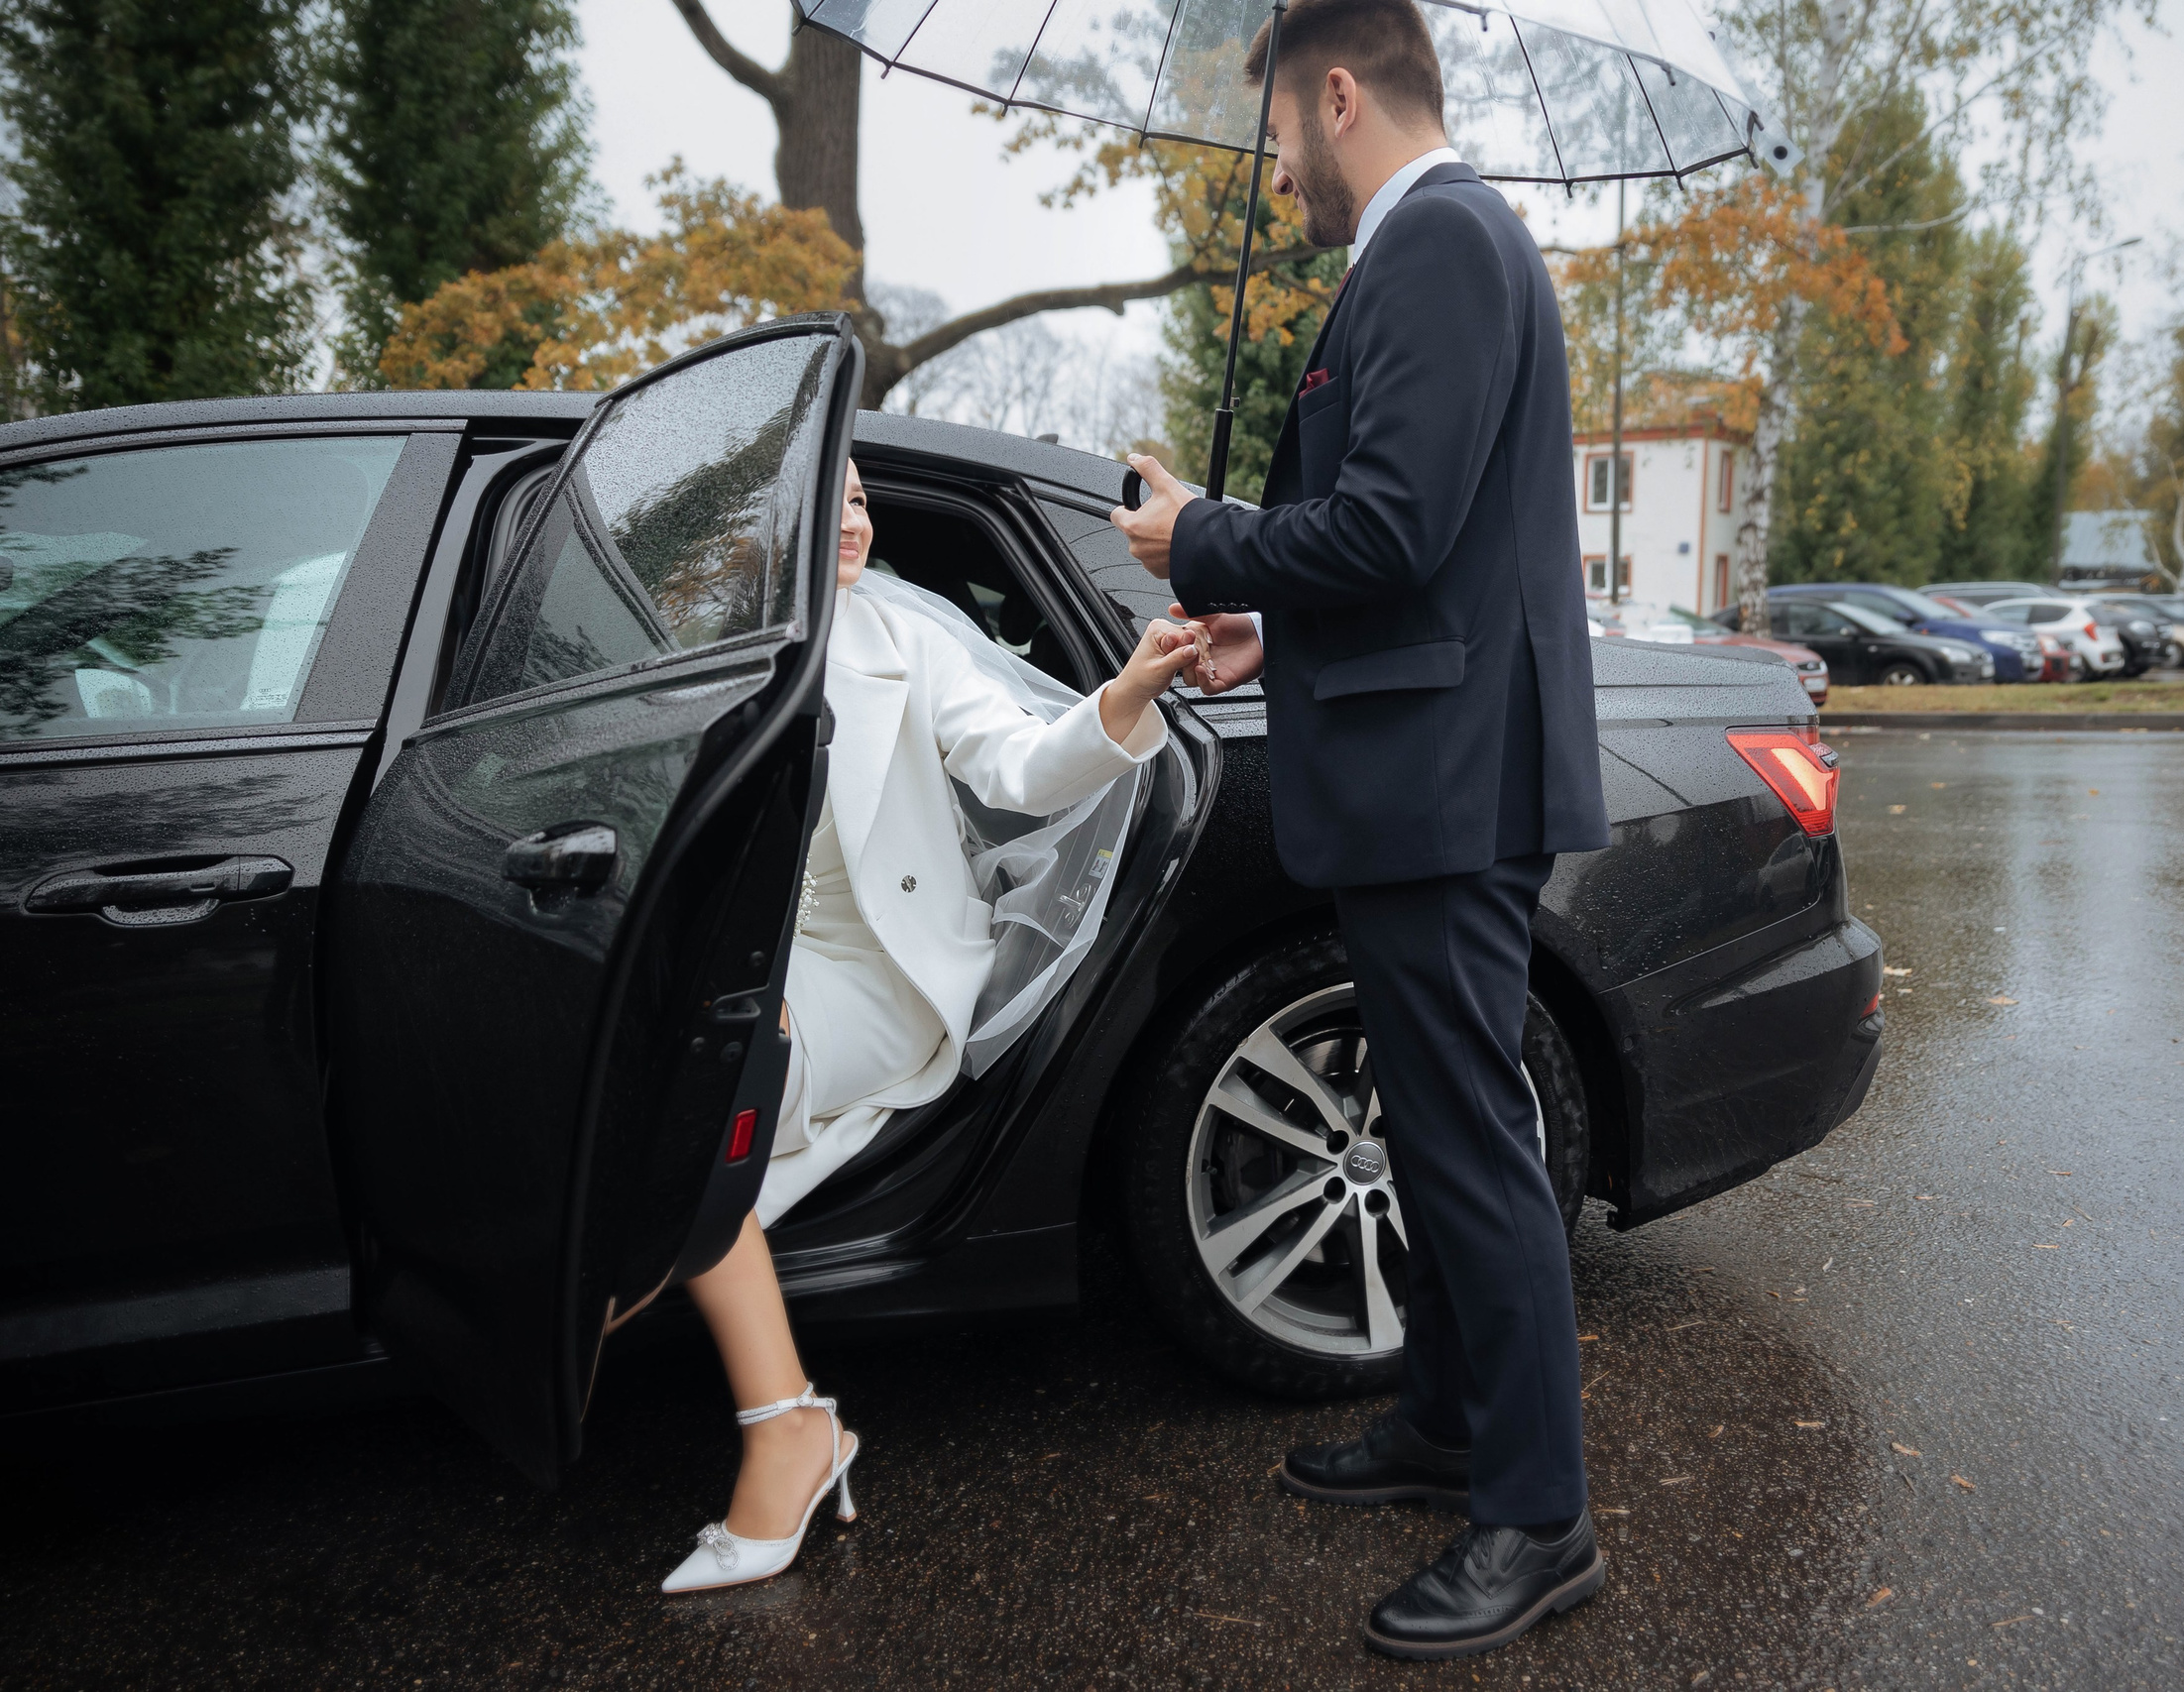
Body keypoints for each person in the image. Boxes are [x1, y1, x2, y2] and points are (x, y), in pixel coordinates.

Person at [1110, 0, 1610, 1661]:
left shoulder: (1444, 244)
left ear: (1337, 96)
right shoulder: (1429, 250)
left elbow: (1391, 522)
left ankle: (1538, 1517)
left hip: (1446, 791)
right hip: (1428, 764)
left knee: (1471, 1143)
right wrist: (1273, 624)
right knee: (1436, 1120)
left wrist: (1202, 537)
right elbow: (1426, 555)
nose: (1273, 174)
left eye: (1272, 136)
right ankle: (1451, 1421)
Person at [660, 460, 1207, 1594]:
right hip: (733, 971)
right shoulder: (686, 661)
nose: (853, 517)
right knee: (637, 1183)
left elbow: (1019, 766)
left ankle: (784, 1435)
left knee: (683, 1128)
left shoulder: (904, 642)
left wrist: (1129, 693)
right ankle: (794, 1429)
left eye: (860, 499)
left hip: (873, 970)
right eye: (826, 496)